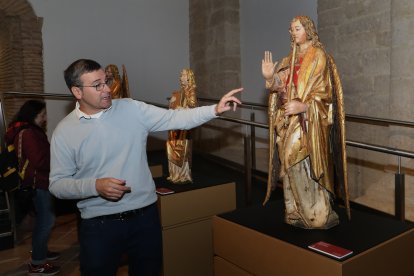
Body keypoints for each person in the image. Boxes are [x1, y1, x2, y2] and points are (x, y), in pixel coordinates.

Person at [49, 58, 242, 275]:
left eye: (106, 81)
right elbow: (57, 185)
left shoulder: (132, 109)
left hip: (145, 218)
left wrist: (214, 109)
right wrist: (95, 186)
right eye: (97, 85)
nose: (107, 89)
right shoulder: (64, 132)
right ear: (77, 92)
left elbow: (175, 118)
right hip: (98, 226)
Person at [261, 15, 349, 229]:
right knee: (288, 164)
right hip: (287, 121)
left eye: (297, 28)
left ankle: (314, 213)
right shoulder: (289, 58)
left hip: (308, 122)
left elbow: (325, 93)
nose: (293, 32)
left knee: (297, 158)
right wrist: (270, 78)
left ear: (308, 30)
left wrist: (305, 106)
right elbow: (281, 84)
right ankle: (295, 210)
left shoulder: (318, 55)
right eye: (291, 29)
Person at [5, 100, 60, 275]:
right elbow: (39, 161)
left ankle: (41, 251)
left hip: (36, 182)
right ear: (33, 114)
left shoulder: (27, 131)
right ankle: (37, 263)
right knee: (47, 221)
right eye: (42, 114)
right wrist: (59, 162)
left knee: (41, 221)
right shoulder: (29, 133)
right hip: (38, 182)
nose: (45, 118)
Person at [166, 68, 198, 184]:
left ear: (189, 77)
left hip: (184, 125)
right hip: (176, 124)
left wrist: (181, 108)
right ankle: (175, 174)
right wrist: (172, 102)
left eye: (183, 75)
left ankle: (183, 175)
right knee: (172, 146)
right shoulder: (180, 91)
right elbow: (175, 105)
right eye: (181, 75)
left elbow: (193, 107)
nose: (181, 77)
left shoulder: (191, 90)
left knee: (182, 149)